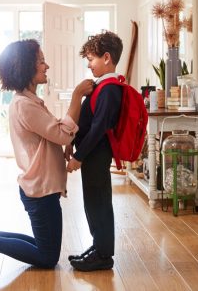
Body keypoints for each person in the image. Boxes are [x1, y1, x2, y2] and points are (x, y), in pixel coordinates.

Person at [0, 39, 94, 271]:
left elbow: (52, 134)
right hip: (40, 190)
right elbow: (62, 134)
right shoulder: (25, 105)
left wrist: (64, 141)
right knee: (47, 257)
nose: (47, 66)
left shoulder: (29, 101)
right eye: (41, 62)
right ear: (26, 68)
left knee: (43, 246)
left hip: (40, 187)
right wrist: (77, 96)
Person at [65, 30, 123, 271]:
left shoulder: (110, 88)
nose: (89, 65)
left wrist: (79, 156)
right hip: (92, 155)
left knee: (98, 203)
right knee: (93, 202)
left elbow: (99, 128)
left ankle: (103, 254)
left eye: (91, 59)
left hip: (96, 156)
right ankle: (99, 247)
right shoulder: (103, 86)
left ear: (106, 58)